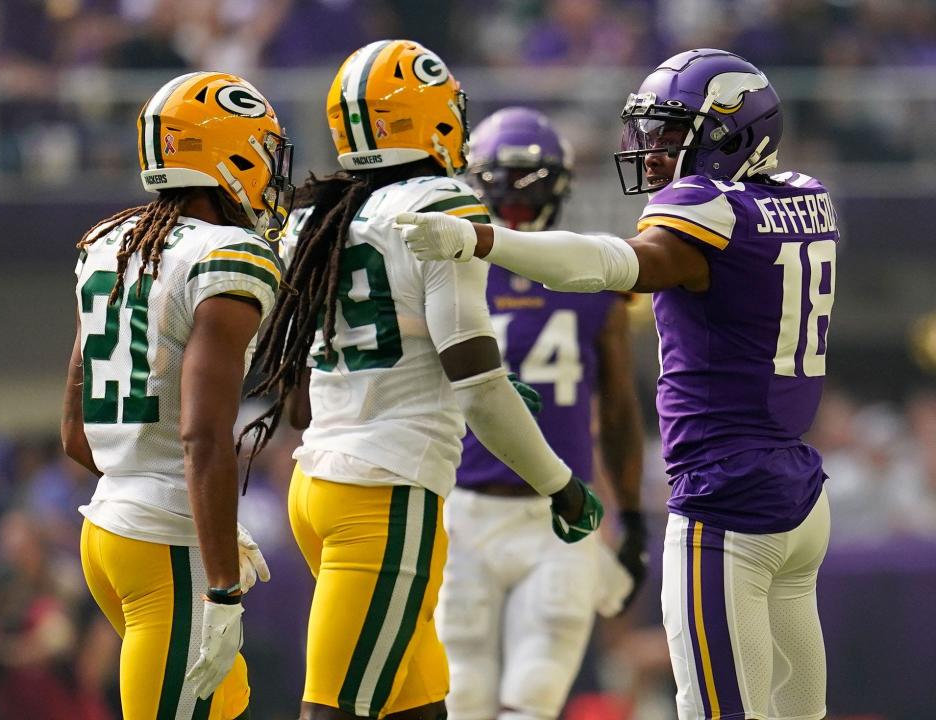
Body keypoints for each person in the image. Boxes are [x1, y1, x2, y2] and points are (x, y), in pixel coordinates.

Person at [396, 48, 838, 720]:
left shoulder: (708, 210)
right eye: (649, 133)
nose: (652, 152)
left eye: (669, 135)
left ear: (730, 133)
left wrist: (484, 241)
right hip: (801, 493)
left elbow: (608, 265)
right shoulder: (809, 198)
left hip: (725, 499)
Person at [241, 40, 603, 720]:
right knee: (339, 709)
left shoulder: (319, 215)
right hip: (384, 493)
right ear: (430, 116)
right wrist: (559, 483)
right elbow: (479, 385)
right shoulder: (441, 204)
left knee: (421, 705)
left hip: (320, 485)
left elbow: (298, 392)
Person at [60, 71, 293, 719]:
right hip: (167, 543)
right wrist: (218, 580)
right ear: (230, 152)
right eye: (263, 150)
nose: (272, 171)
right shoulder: (230, 253)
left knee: (226, 703)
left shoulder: (110, 243)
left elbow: (74, 433)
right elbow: (201, 435)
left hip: (107, 530)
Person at [436, 106, 647, 720]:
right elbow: (618, 415)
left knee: (514, 693)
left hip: (538, 514)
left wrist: (631, 516)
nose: (516, 204)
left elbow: (616, 412)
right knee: (485, 693)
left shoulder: (448, 271)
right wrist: (630, 517)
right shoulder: (590, 275)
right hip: (498, 510)